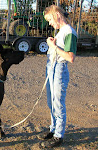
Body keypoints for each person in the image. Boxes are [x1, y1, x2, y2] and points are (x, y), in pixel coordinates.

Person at [37, 5, 77, 148]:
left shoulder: (69, 32)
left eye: (49, 19)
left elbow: (70, 57)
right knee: (51, 102)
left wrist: (53, 46)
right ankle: (53, 128)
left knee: (58, 103)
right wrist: (54, 44)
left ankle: (58, 136)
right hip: (51, 68)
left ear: (57, 15)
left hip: (59, 69)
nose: (49, 23)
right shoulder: (61, 32)